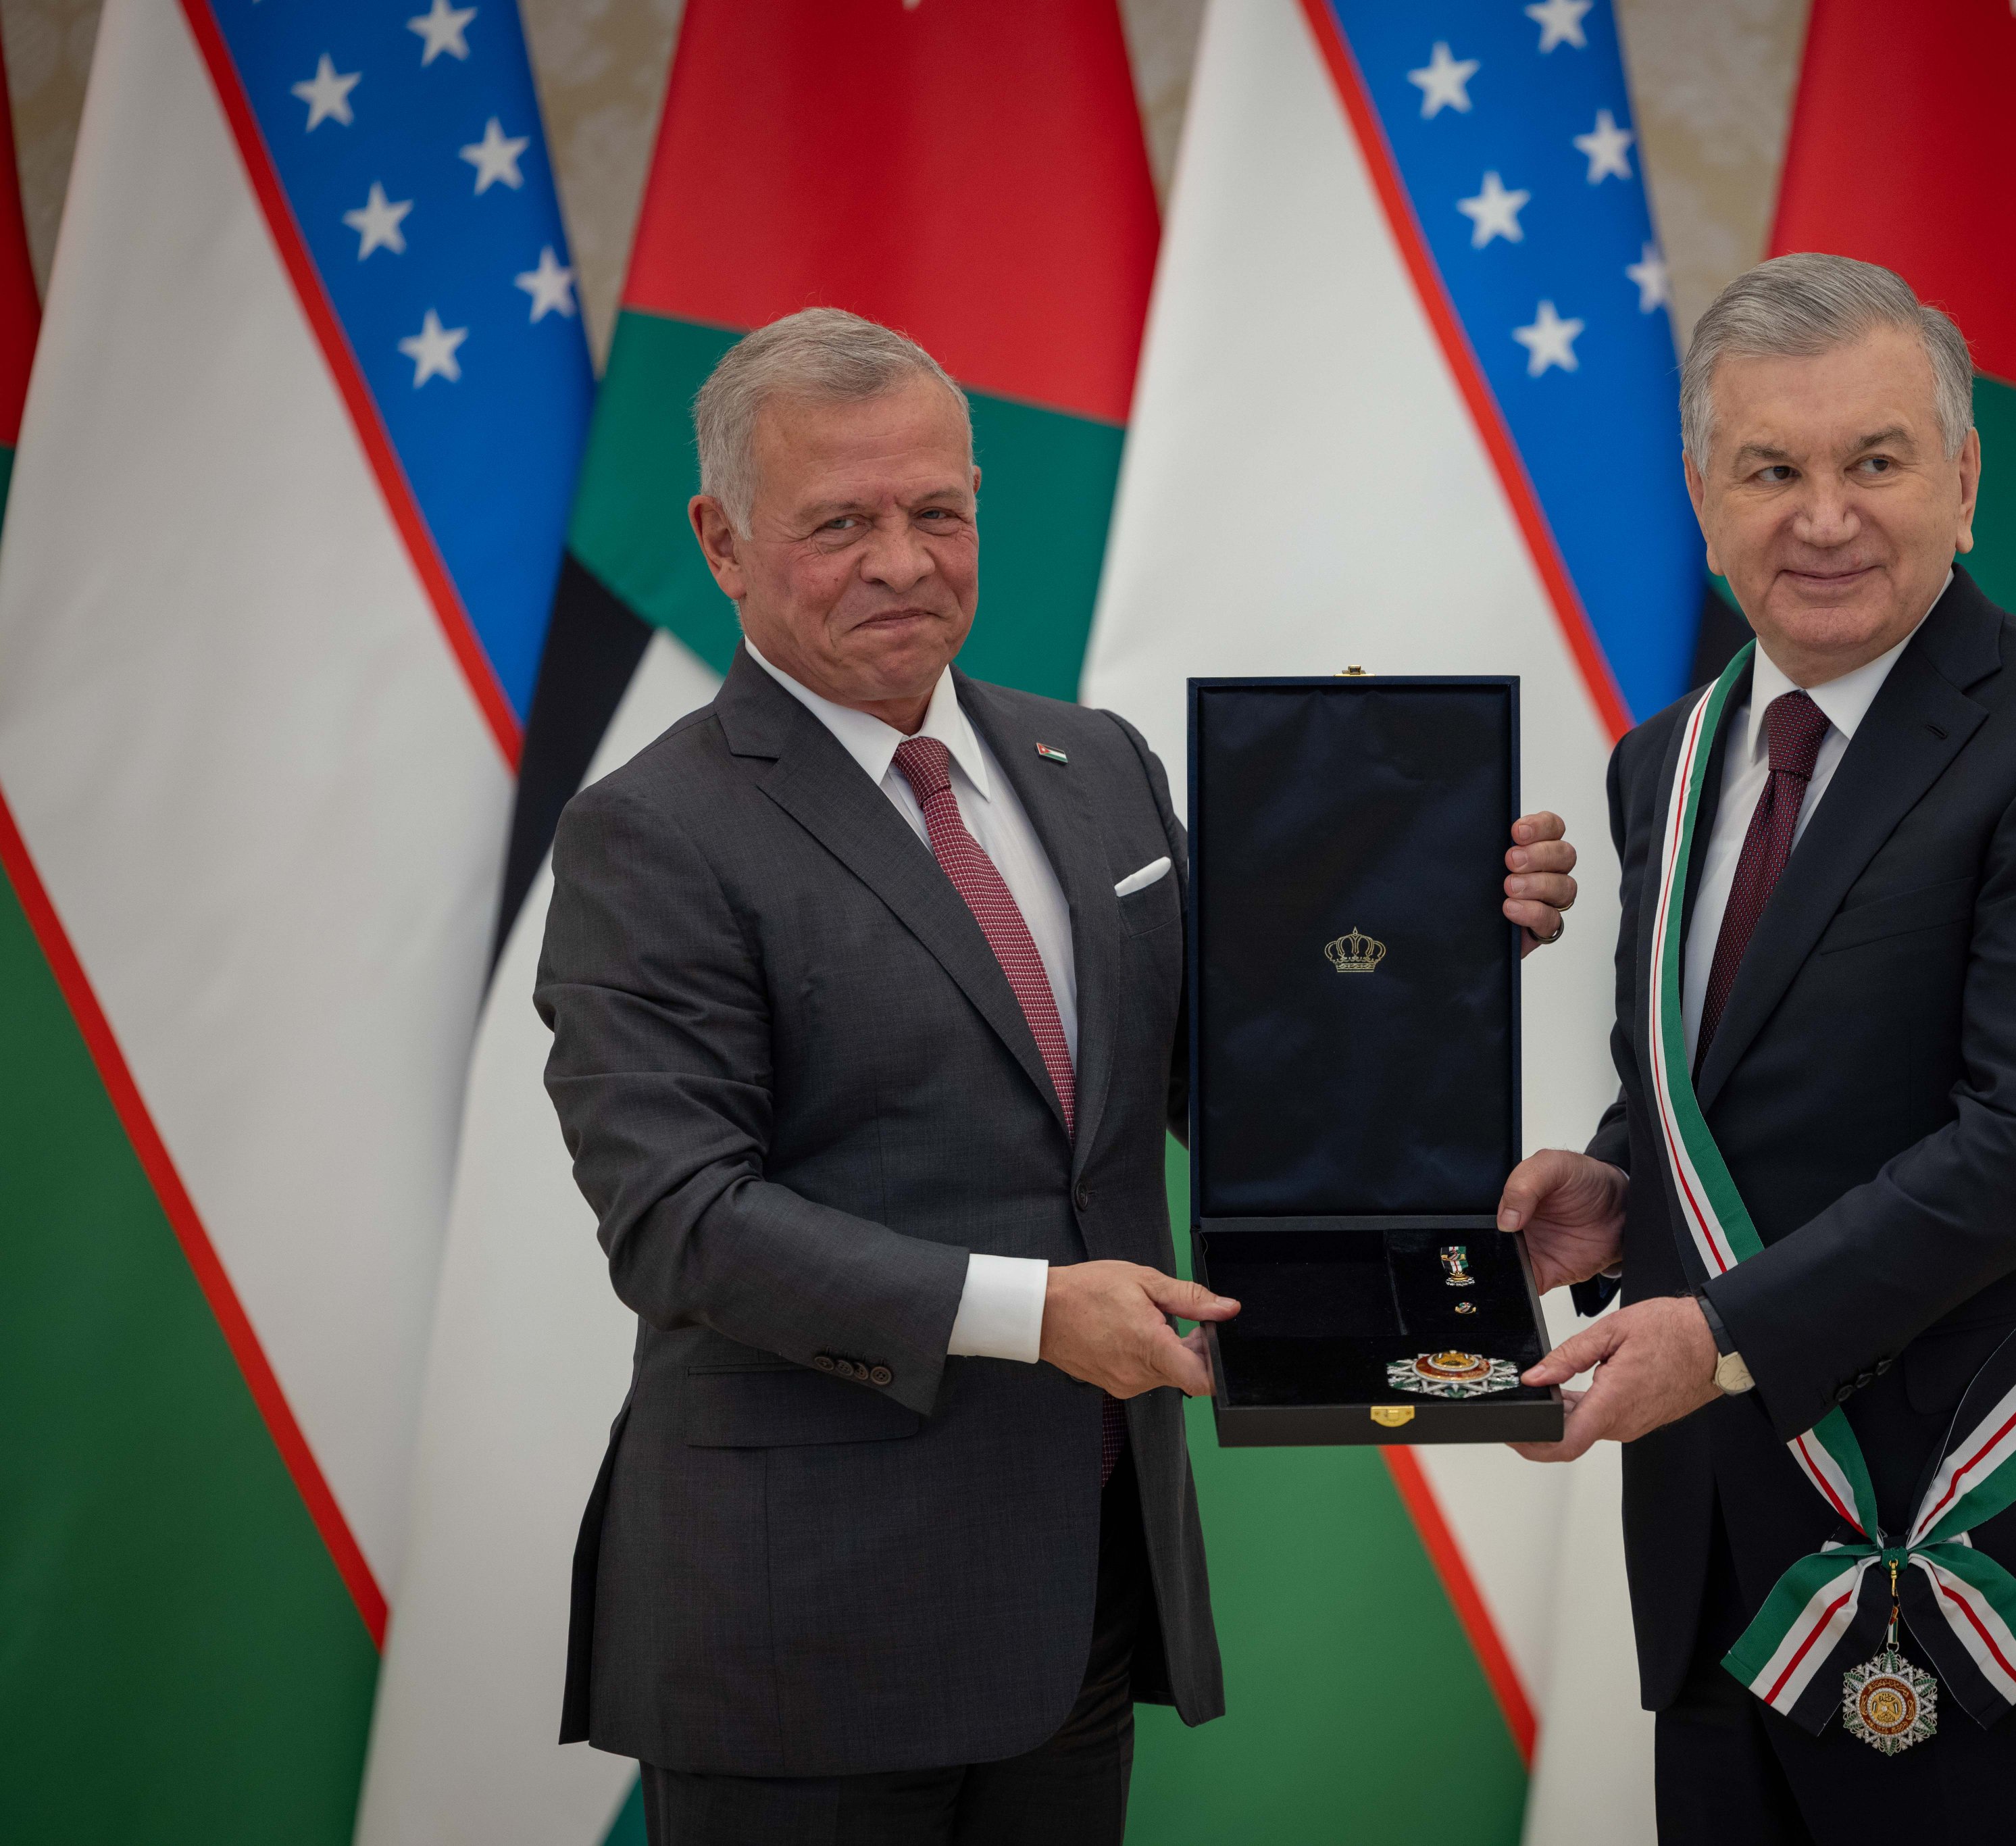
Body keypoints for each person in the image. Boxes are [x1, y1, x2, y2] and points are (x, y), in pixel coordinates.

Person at [536, 307, 1578, 1845]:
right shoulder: (651, 831)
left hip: (1079, 1594)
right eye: (839, 524)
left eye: (934, 512)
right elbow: (676, 1222)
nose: (902, 562)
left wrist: (1436, 939)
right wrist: (1034, 1312)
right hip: (803, 1627)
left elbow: (1235, 1087)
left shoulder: (1096, 768)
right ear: (722, 540)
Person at [1495, 255, 2016, 1843]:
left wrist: (1718, 1333)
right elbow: (1711, 1084)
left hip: (1985, 1556)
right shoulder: (1660, 763)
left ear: (1961, 481)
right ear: (1704, 502)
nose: (1822, 518)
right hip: (1718, 1557)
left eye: (1873, 462)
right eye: (1770, 470)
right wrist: (1619, 1188)